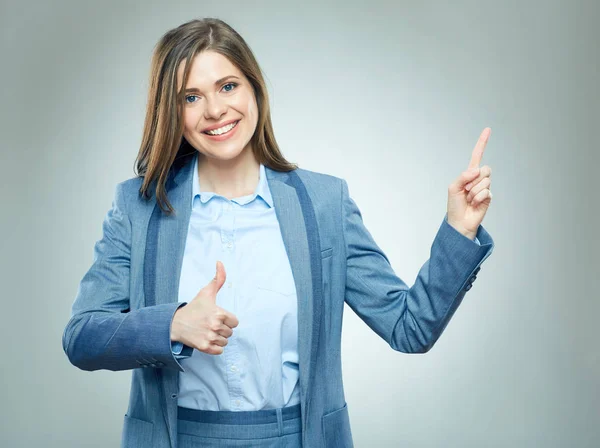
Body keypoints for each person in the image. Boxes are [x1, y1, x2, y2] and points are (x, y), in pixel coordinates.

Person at [62, 17, 495, 448]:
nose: (215, 110)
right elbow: (82, 337)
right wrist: (171, 324)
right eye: (191, 97)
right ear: (172, 112)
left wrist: (459, 228)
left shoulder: (325, 203)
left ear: (254, 89)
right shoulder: (139, 208)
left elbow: (409, 327)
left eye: (228, 86)